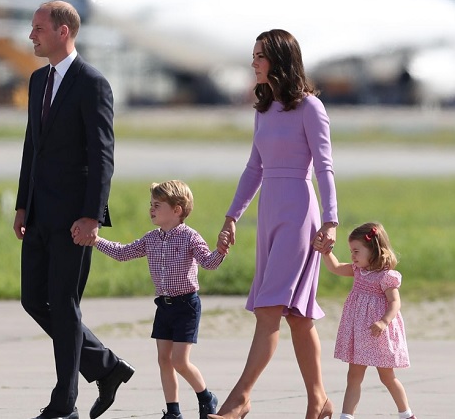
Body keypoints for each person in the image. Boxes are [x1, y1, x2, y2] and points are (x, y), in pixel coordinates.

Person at [13, 1, 134, 419]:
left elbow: (103, 156)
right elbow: (33, 146)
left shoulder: (92, 84)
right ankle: (106, 367)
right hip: (39, 213)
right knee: (33, 300)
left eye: (38, 28)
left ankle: (64, 404)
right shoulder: (35, 81)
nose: (32, 35)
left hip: (73, 219)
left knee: (63, 304)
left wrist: (92, 215)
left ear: (63, 32)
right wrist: (21, 205)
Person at [212, 29, 337, 419]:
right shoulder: (263, 109)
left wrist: (331, 220)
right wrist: (232, 216)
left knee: (269, 308)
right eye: (253, 55)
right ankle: (319, 400)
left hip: (300, 213)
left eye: (260, 56)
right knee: (298, 318)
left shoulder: (311, 108)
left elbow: (324, 167)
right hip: (270, 214)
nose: (254, 62)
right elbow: (254, 168)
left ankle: (239, 399)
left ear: (280, 59)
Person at [88, 180, 227, 419]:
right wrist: (96, 240)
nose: (151, 209)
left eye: (157, 205)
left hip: (186, 306)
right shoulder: (151, 238)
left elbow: (209, 263)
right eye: (150, 204)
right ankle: (173, 411)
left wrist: (221, 251)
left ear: (177, 209)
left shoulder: (190, 237)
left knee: (179, 361)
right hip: (164, 306)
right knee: (164, 360)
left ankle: (206, 396)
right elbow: (123, 253)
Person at [315, 222, 417, 419]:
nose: (352, 256)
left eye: (356, 251)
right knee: (353, 375)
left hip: (378, 332)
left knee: (387, 376)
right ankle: (347, 415)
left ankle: (406, 414)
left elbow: (395, 302)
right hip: (359, 331)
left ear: (374, 250)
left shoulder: (387, 277)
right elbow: (335, 267)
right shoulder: (357, 271)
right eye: (351, 251)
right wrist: (326, 252)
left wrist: (384, 321)